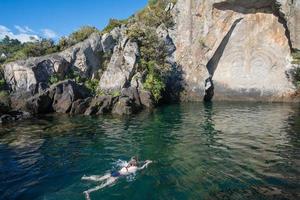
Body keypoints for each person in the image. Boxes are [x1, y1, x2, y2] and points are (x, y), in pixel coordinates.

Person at [82, 158, 152, 200]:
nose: (136, 162)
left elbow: (137, 162)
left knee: (99, 179)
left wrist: (145, 161)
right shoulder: (135, 168)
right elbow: (141, 168)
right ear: (135, 163)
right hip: (117, 175)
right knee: (103, 185)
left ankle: (85, 177)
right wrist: (147, 163)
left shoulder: (127, 164)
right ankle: (88, 192)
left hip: (115, 172)